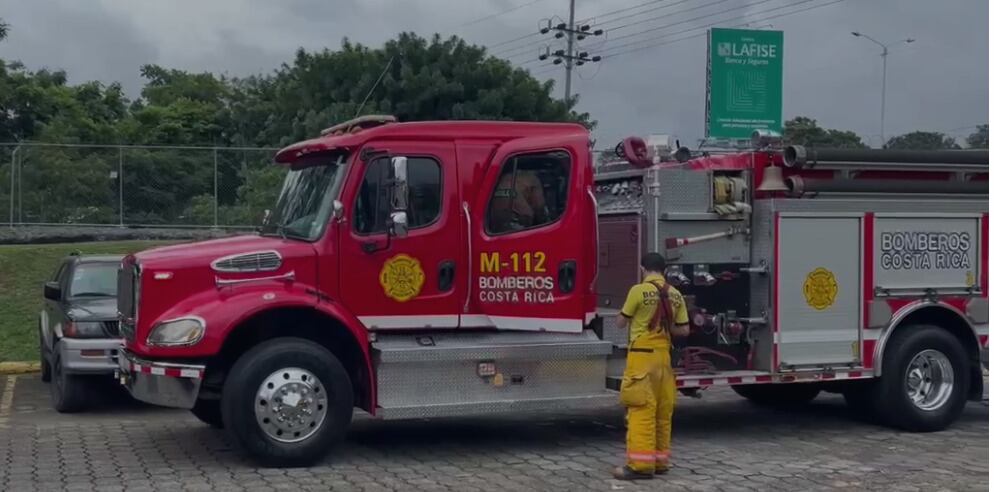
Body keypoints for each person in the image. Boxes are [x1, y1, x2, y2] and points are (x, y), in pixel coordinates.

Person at [613, 252, 690, 481]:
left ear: (643, 268)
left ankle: (639, 466)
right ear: (664, 270)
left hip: (641, 357)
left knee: (640, 409)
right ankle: (660, 461)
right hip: (664, 359)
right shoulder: (676, 294)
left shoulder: (638, 290)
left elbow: (620, 322)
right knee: (662, 411)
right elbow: (684, 330)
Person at [488, 164, 547, 232]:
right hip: (522, 227)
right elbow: (539, 206)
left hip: (493, 228)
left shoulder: (497, 178)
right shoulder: (532, 180)